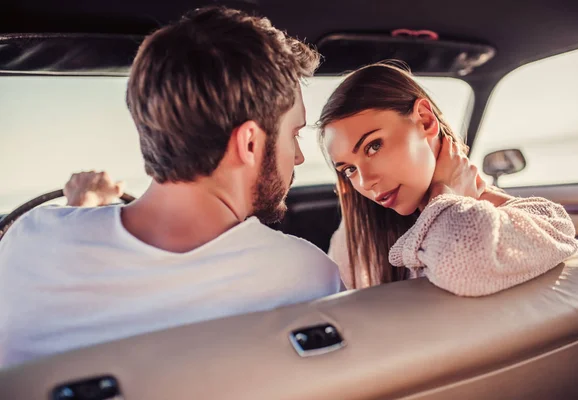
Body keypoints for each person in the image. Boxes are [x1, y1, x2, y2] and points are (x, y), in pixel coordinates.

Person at [0, 7, 341, 368]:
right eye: (295, 134)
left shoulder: (30, 244)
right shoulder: (307, 275)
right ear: (250, 144)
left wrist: (81, 207)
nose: (299, 156)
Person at [319, 62, 578, 294]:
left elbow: (462, 263)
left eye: (373, 146)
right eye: (349, 169)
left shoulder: (542, 220)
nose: (365, 182)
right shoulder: (356, 235)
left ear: (424, 120)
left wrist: (445, 194)